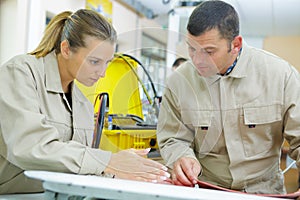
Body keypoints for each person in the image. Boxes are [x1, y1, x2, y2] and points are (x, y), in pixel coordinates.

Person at [0, 9, 170, 194]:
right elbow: (30, 147)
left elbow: (81, 169)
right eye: (95, 61)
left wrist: (123, 170)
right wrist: (108, 161)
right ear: (66, 49)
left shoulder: (83, 103)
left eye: (107, 62)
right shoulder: (21, 73)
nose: (102, 72)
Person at [157, 0, 300, 195]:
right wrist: (181, 157)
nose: (197, 60)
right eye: (191, 48)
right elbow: (173, 138)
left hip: (264, 191)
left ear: (235, 44)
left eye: (209, 51)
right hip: (205, 189)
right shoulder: (179, 82)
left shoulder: (281, 76)